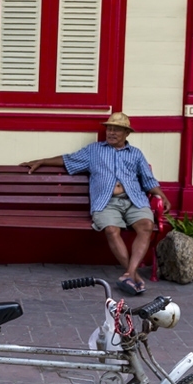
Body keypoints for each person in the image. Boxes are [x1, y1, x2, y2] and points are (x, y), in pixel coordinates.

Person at [20, 112, 171, 296]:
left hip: (134, 200)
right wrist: (43, 161)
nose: (111, 132)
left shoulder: (136, 154)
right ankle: (133, 275)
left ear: (126, 134)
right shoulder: (94, 151)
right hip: (106, 201)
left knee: (146, 225)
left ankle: (129, 274)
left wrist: (161, 195)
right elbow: (68, 160)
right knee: (111, 229)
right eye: (109, 128)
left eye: (117, 130)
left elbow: (148, 180)